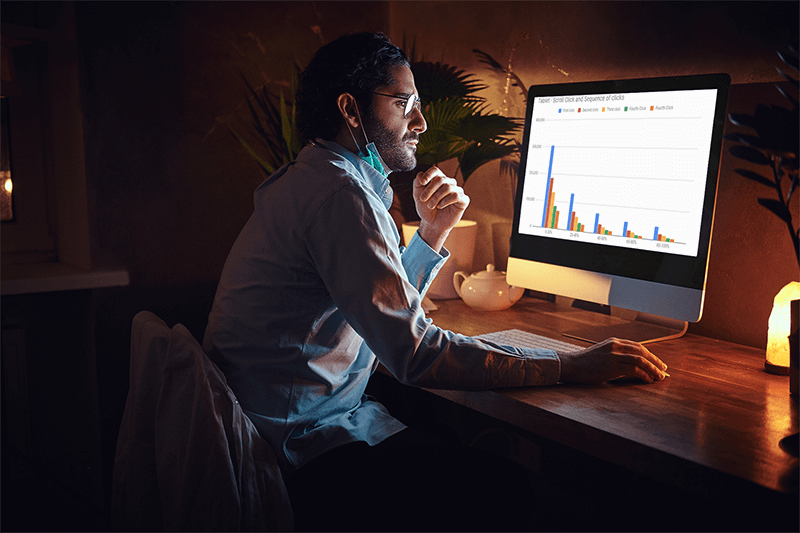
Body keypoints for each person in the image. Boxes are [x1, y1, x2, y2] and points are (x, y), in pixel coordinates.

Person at [203, 32, 668, 531]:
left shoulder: (317, 177)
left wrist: (432, 232)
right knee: (504, 488)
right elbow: (413, 352)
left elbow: (378, 316)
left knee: (445, 435)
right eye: (404, 104)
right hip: (299, 450)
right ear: (351, 110)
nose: (420, 123)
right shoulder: (340, 196)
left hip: (288, 425)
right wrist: (569, 364)